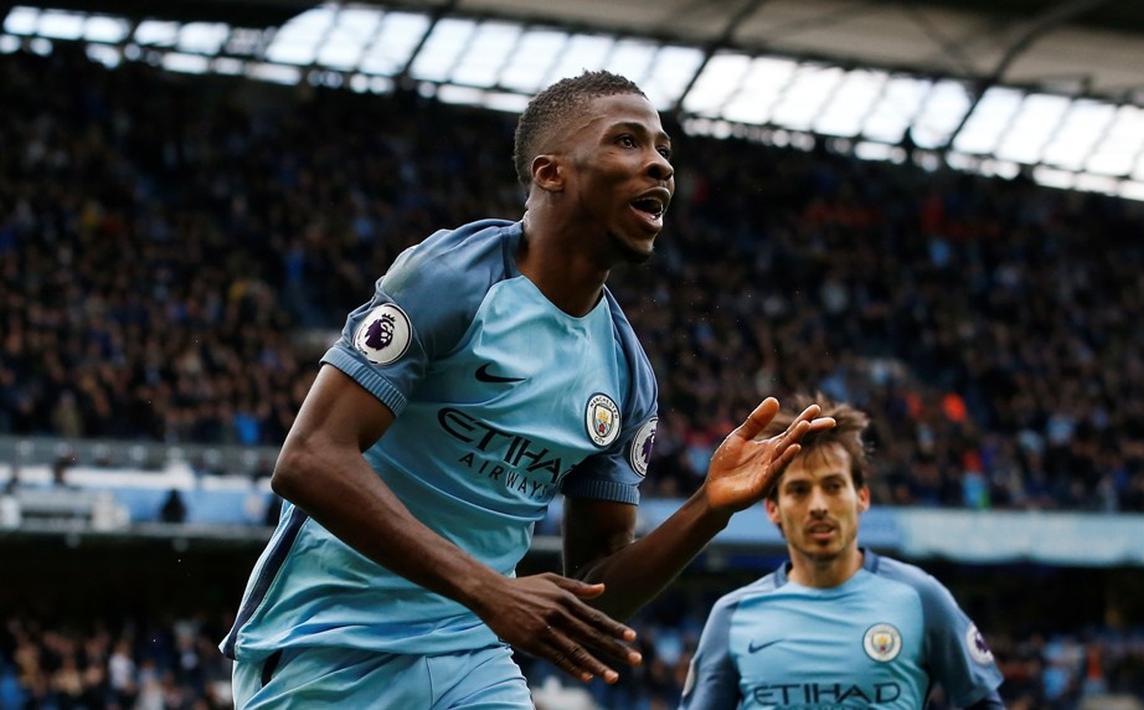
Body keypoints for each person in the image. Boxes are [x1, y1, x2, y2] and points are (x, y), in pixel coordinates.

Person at [221, 70, 833, 708]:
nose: (660, 165)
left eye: (663, 150)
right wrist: (490, 590)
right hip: (326, 643)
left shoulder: (626, 376)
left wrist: (707, 507)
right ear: (551, 173)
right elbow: (310, 459)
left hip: (470, 656)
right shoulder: (452, 279)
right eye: (628, 141)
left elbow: (593, 591)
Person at [681, 396, 1005, 709]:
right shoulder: (733, 616)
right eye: (799, 490)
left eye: (833, 486)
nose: (818, 506)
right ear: (772, 508)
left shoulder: (920, 598)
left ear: (862, 496)